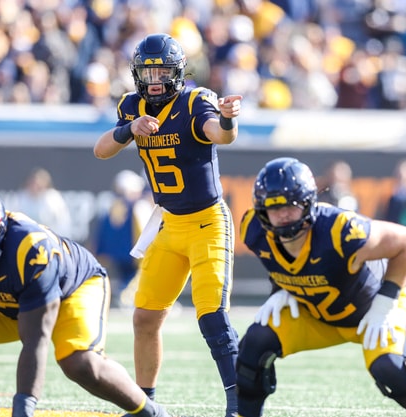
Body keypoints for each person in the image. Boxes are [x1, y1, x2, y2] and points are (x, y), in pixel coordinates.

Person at [0, 189, 170, 417]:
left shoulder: (29, 251)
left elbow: (35, 342)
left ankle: (151, 412)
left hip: (72, 289)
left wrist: (22, 409)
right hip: (4, 301)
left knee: (80, 363)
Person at [93, 33, 242, 417]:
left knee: (213, 317)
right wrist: (129, 130)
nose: (155, 77)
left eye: (162, 70)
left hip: (207, 222)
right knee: (144, 317)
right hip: (169, 223)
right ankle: (146, 405)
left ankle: (241, 403)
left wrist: (227, 119)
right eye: (148, 70)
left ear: (178, 72)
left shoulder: (195, 101)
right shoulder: (132, 106)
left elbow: (220, 135)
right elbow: (101, 150)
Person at [236, 157, 406, 417]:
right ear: (262, 210)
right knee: (253, 346)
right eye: (275, 207)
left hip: (374, 306)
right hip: (319, 314)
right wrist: (280, 289)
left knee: (391, 370)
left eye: (291, 206)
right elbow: (278, 260)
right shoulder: (253, 229)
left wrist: (385, 302)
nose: (283, 214)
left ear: (308, 204)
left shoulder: (339, 230)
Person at [93, 169, 151, 307]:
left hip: (117, 252)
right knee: (134, 278)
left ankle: (125, 296)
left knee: (126, 277)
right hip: (133, 251)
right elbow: (142, 228)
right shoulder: (137, 205)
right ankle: (127, 298)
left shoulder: (109, 203)